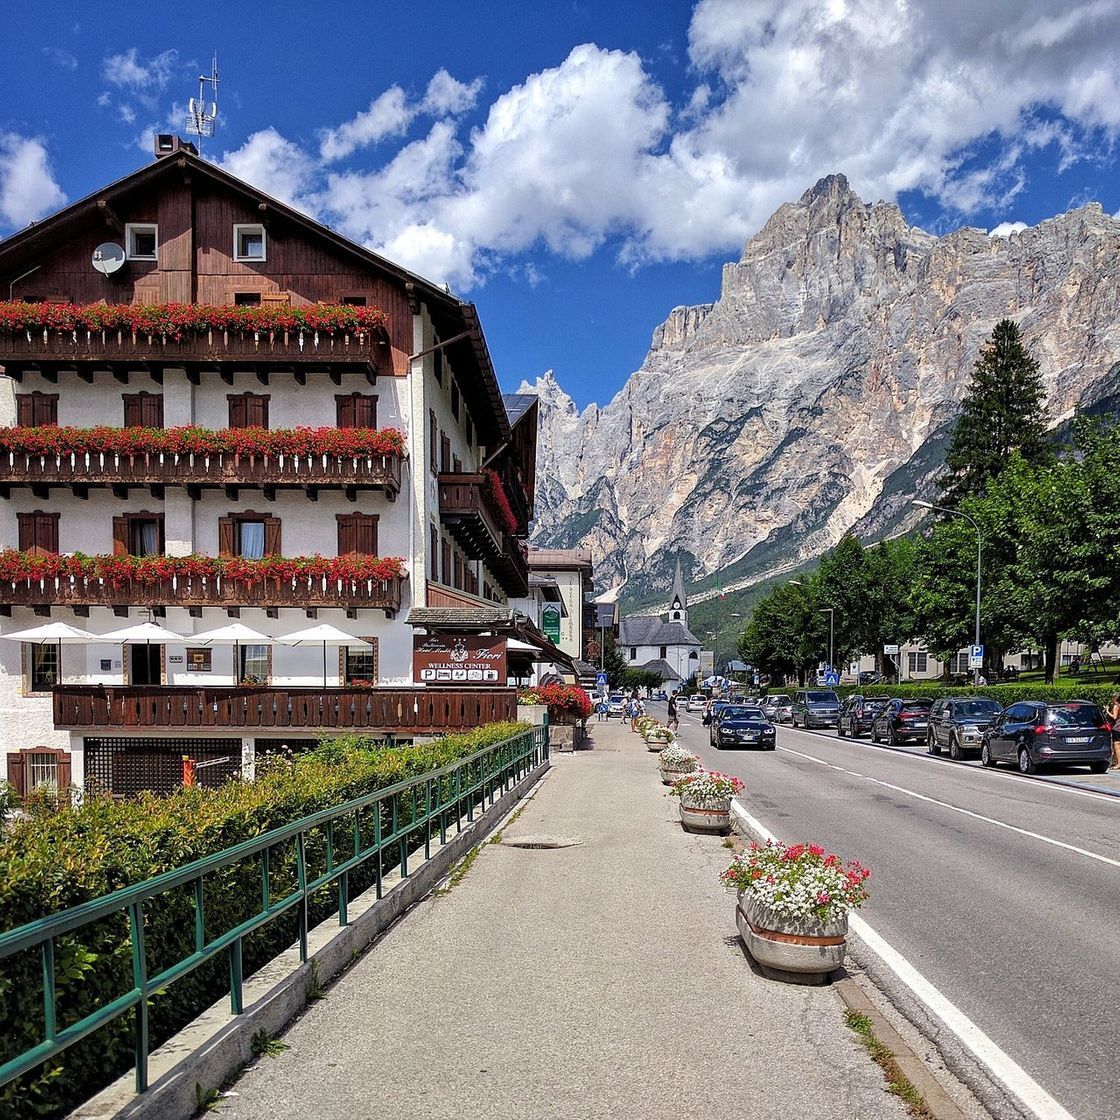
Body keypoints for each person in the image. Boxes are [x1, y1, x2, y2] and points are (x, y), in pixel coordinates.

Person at [1107, 693, 1120, 770]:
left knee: (1117, 746)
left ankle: (1118, 764)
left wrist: (1107, 711)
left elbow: (1114, 717)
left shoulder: (1116, 706)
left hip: (1117, 728)